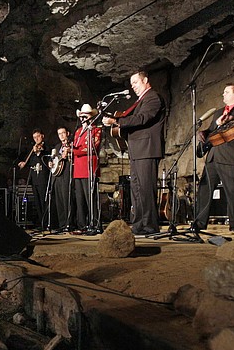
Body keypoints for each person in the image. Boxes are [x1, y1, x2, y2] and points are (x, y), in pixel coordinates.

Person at [103, 71, 166, 235]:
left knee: (146, 189)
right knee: (136, 190)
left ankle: (150, 225)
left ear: (145, 80)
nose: (133, 86)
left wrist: (117, 121)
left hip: (147, 149)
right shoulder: (140, 101)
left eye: (136, 82)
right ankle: (138, 224)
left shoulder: (153, 97)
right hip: (137, 150)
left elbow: (143, 118)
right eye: (131, 84)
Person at [193, 83, 234, 232]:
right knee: (204, 189)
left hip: (231, 155)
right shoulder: (218, 113)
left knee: (233, 190)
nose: (223, 94)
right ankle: (199, 223)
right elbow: (211, 132)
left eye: (227, 92)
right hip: (213, 156)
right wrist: (203, 133)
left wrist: (220, 125)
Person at [71, 105, 102, 232]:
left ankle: (95, 224)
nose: (83, 118)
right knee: (80, 199)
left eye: (86, 115)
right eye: (81, 115)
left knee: (91, 198)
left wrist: (75, 151)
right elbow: (77, 146)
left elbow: (91, 147)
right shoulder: (78, 131)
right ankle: (82, 225)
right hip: (78, 169)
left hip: (89, 168)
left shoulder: (96, 130)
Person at [18, 129, 50, 229]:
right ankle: (41, 222)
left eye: (38, 136)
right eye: (34, 137)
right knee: (37, 202)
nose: (36, 139)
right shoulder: (32, 149)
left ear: (43, 136)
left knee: (44, 201)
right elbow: (30, 162)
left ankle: (47, 222)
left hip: (43, 178)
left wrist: (39, 152)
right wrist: (24, 163)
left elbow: (46, 158)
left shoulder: (46, 147)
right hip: (34, 179)